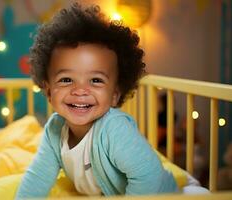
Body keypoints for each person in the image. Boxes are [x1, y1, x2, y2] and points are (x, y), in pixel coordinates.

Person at [15, 3, 178, 198]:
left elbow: (149, 176)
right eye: (66, 80)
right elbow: (38, 177)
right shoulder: (55, 130)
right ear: (49, 92)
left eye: (96, 80)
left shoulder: (114, 129)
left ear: (115, 95)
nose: (80, 90)